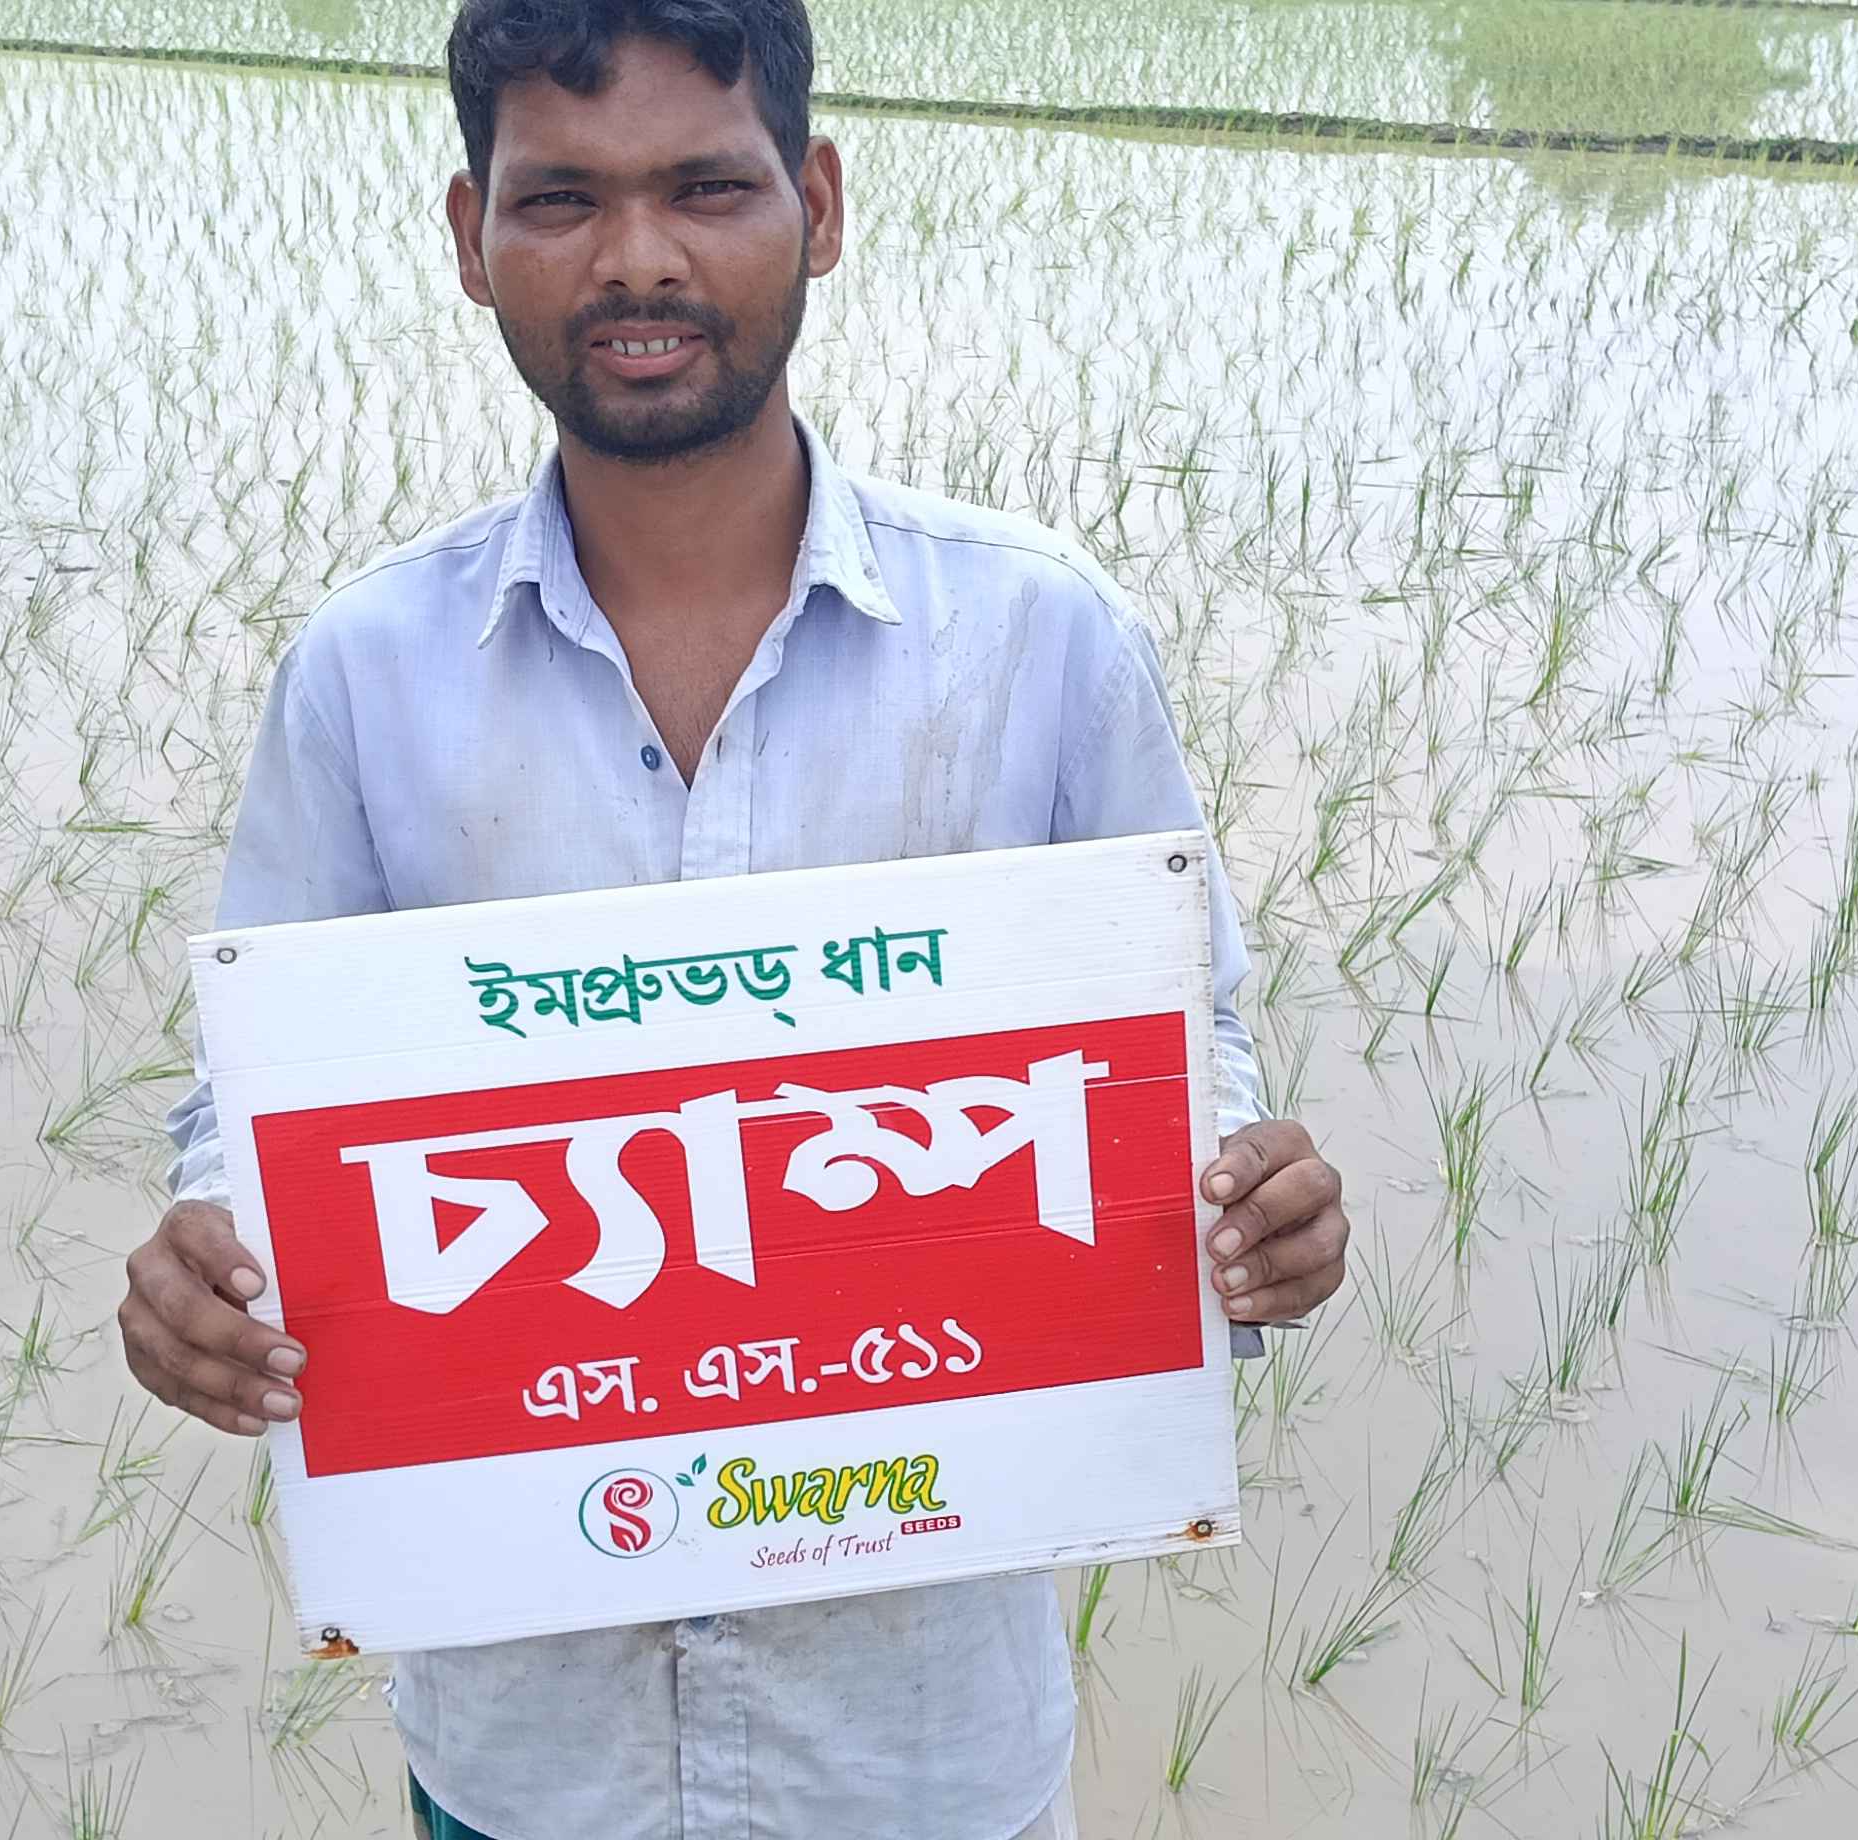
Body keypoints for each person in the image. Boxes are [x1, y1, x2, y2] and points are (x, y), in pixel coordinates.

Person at [118, 2, 1352, 1834]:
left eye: (706, 187)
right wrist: (210, 1271)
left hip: (919, 1756)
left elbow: (1191, 1049)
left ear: (817, 205)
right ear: (470, 236)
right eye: (561, 199)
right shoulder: (366, 675)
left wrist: (1246, 1214)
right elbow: (258, 1099)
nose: (637, 259)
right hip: (533, 1762)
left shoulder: (1039, 635)